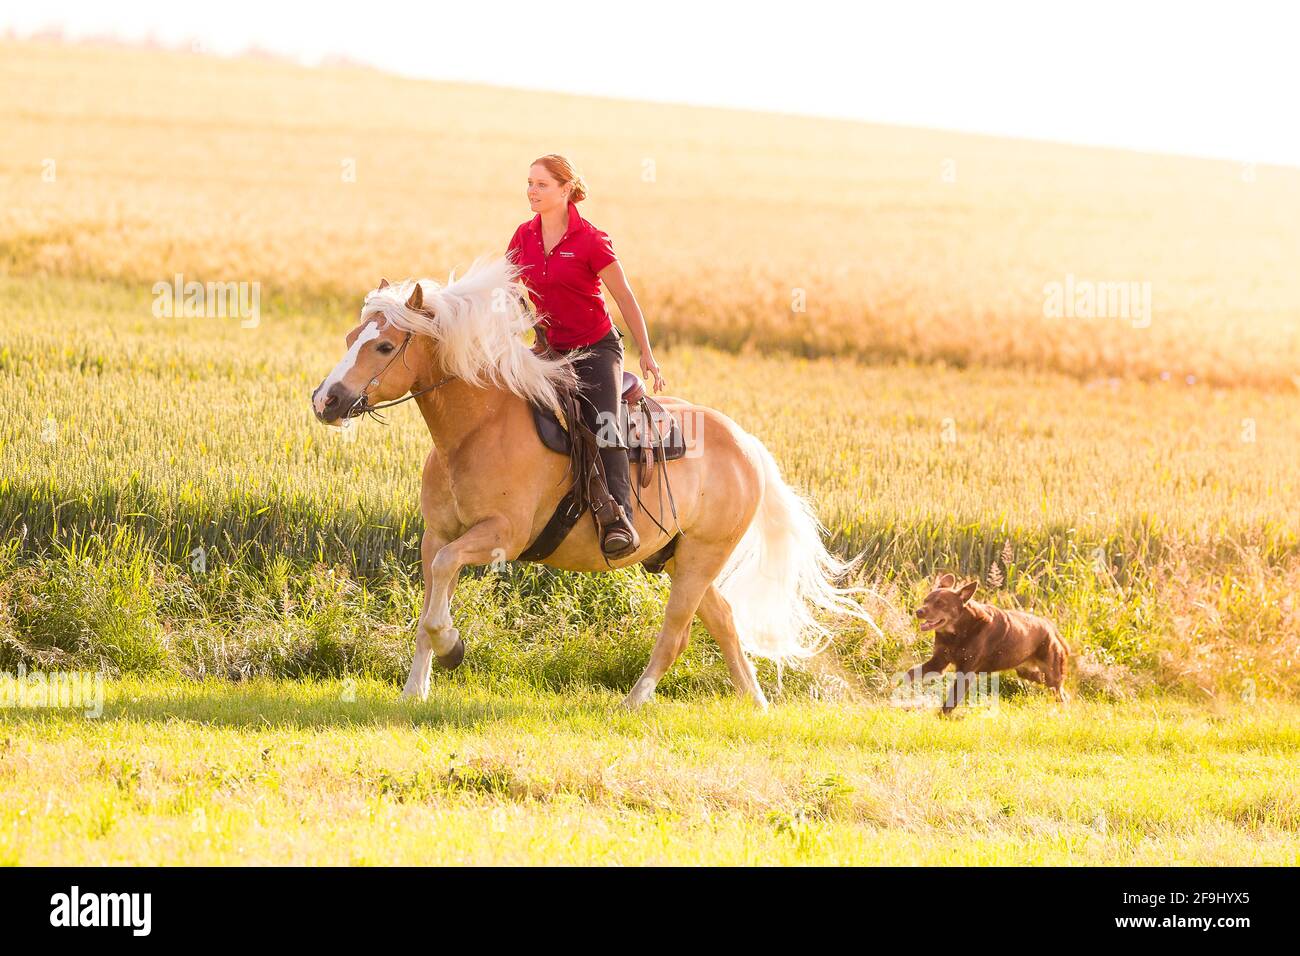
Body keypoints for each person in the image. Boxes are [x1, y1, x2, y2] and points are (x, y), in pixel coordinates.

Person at [506, 154, 666, 559]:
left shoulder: (591, 240)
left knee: (606, 424)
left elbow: (624, 296)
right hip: (549, 349)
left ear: (565, 189)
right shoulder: (523, 235)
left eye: (541, 184)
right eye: (529, 183)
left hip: (595, 347)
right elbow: (505, 288)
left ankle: (619, 520)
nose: (532, 191)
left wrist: (646, 353)